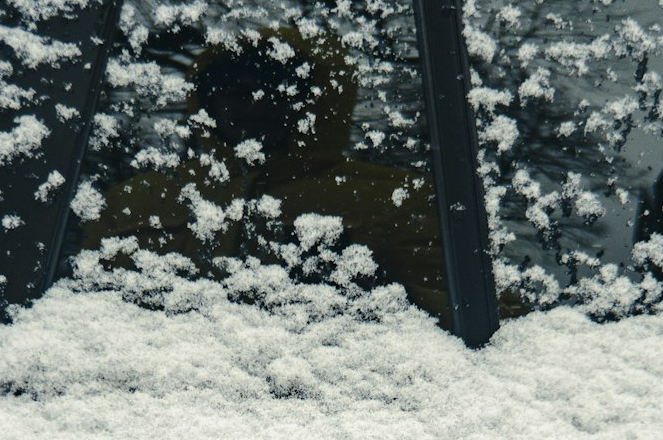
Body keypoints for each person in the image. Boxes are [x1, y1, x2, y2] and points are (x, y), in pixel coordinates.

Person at [83, 27, 452, 321]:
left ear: (315, 104)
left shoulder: (394, 198)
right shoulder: (138, 199)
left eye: (277, 92)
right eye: (236, 92)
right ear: (208, 102)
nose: (256, 106)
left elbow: (463, 326)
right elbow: (84, 319)